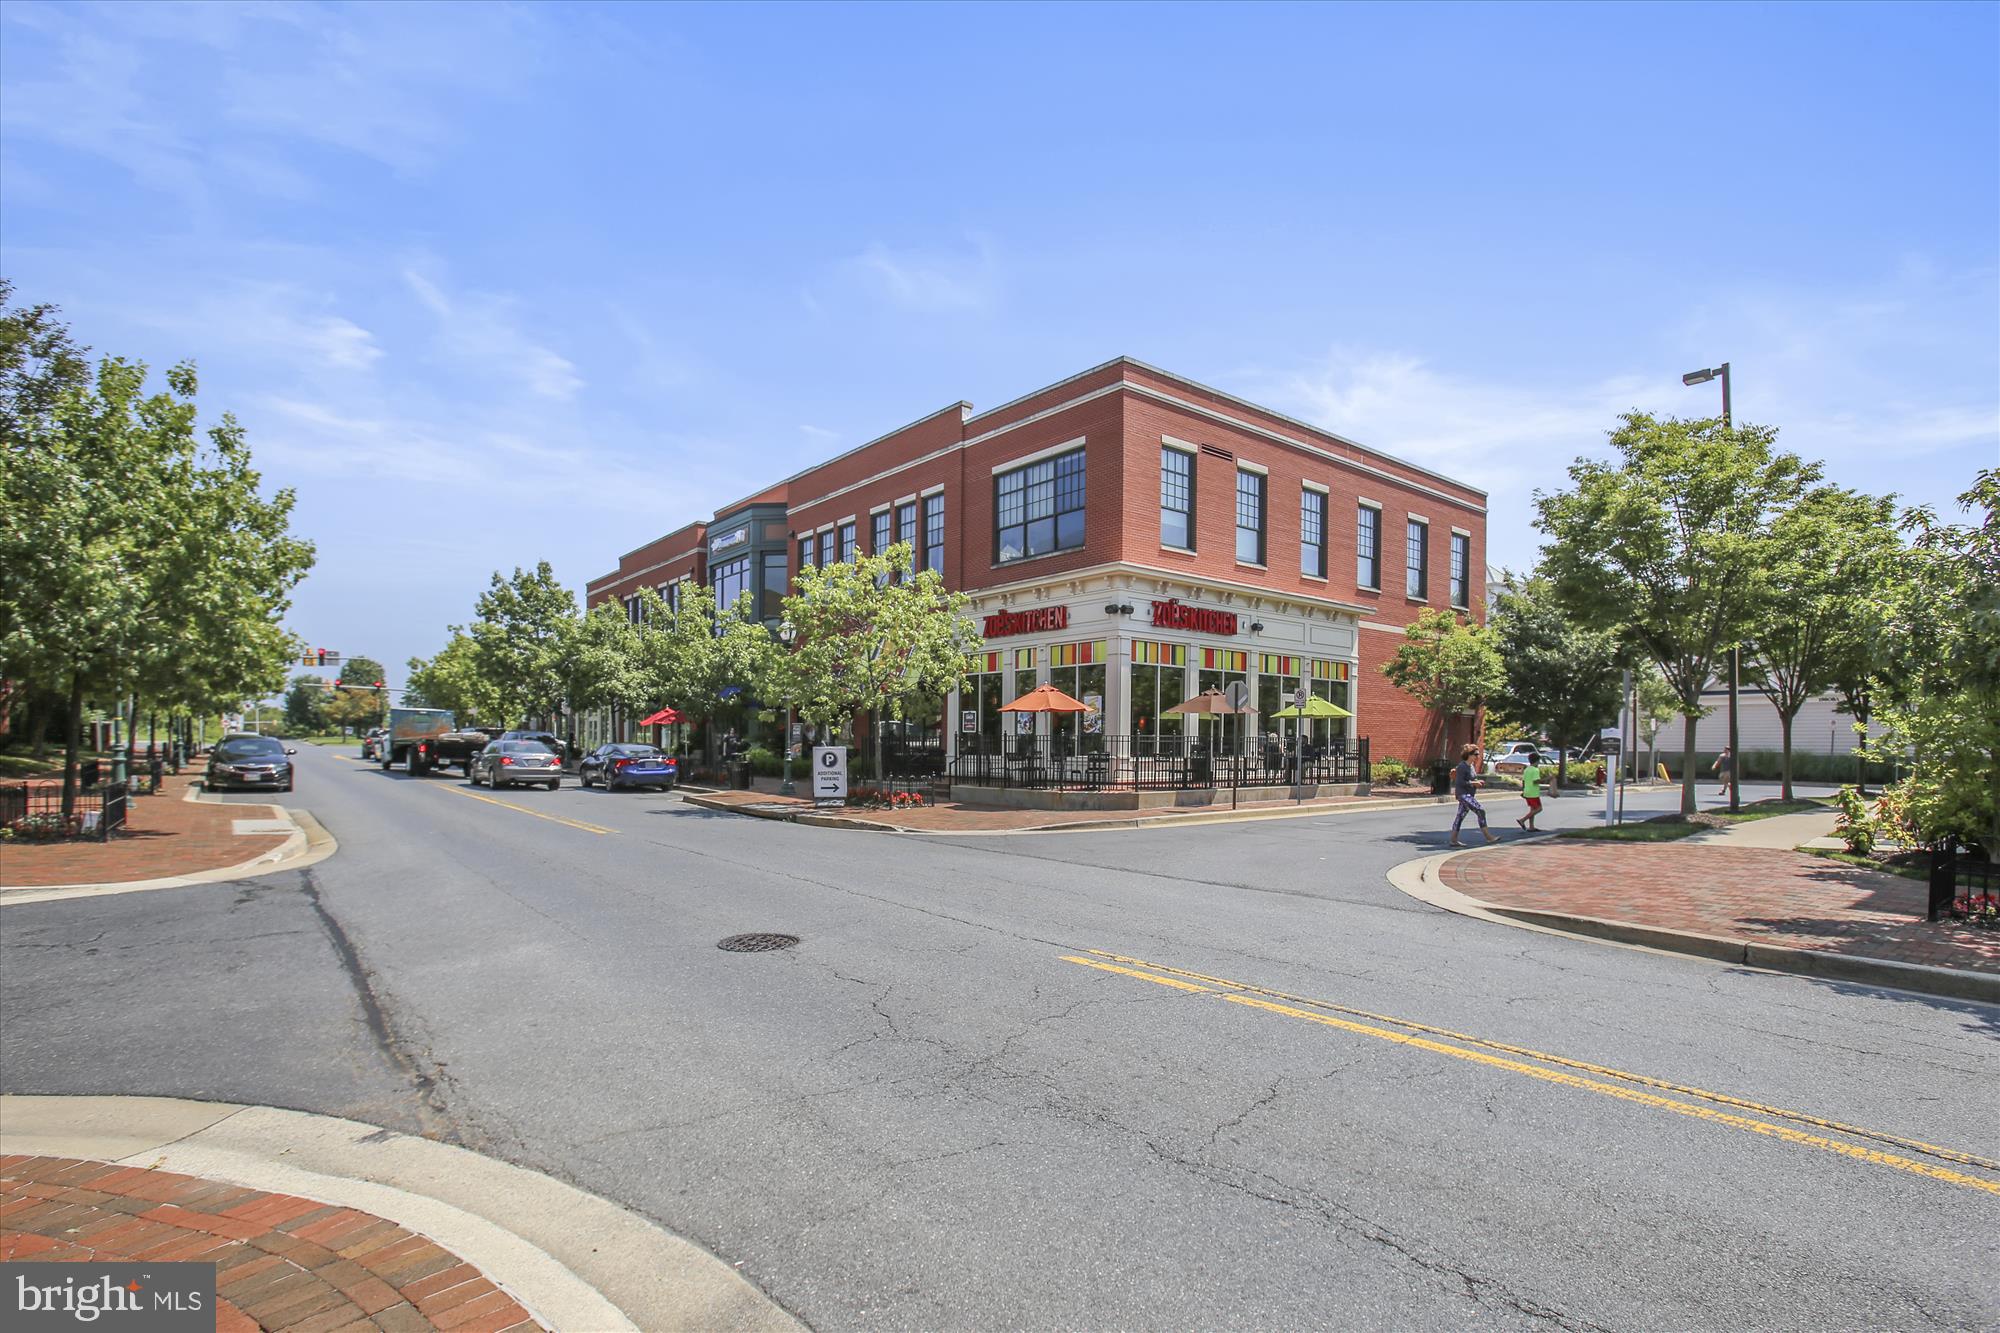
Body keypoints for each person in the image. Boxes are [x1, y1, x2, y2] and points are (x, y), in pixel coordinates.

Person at [1449, 743, 1498, 846]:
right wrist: (1473, 783)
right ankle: (1489, 837)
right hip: (1463, 794)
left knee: (1460, 816)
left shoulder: (1471, 766)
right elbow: (1459, 782)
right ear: (1469, 754)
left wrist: (1477, 781)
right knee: (1480, 811)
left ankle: (1453, 840)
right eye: (1476, 754)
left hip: (1469, 794)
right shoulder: (1462, 766)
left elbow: (1471, 779)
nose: (1477, 756)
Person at [1515, 756, 1544, 831]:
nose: (1539, 763)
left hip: (1527, 791)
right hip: (1533, 792)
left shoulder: (1527, 769)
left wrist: (1523, 790)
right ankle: (1522, 820)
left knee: (1533, 809)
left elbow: (1523, 781)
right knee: (1539, 808)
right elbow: (1536, 781)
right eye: (1539, 761)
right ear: (1537, 761)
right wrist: (1548, 779)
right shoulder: (1535, 770)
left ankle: (1531, 827)